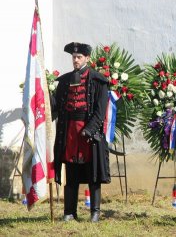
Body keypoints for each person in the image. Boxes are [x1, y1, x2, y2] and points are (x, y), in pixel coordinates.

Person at [52, 42, 111, 222]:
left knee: (93, 174)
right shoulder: (64, 81)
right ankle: (69, 212)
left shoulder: (98, 80)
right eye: (73, 57)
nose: (75, 60)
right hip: (69, 132)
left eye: (79, 57)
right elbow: (56, 105)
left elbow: (101, 111)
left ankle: (95, 212)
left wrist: (89, 129)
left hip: (89, 134)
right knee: (71, 172)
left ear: (87, 58)